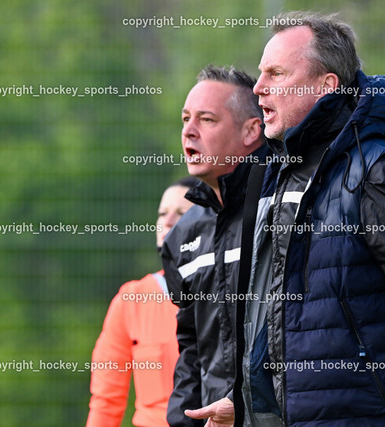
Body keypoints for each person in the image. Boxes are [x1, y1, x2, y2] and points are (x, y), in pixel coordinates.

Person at [225, 11, 385, 426]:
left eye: (276, 74)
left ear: (326, 85)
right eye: (261, 74)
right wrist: (242, 401)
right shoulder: (275, 175)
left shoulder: (380, 171)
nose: (258, 87)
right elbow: (273, 316)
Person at [161, 65, 267, 427]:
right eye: (185, 119)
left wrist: (247, 405)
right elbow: (191, 347)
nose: (189, 131)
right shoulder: (182, 235)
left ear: (251, 130)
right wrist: (184, 421)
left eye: (206, 119)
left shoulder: (286, 206)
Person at [87, 176, 197, 427]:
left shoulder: (229, 292)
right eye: (162, 213)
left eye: (181, 213)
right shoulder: (131, 300)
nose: (167, 221)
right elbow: (106, 400)